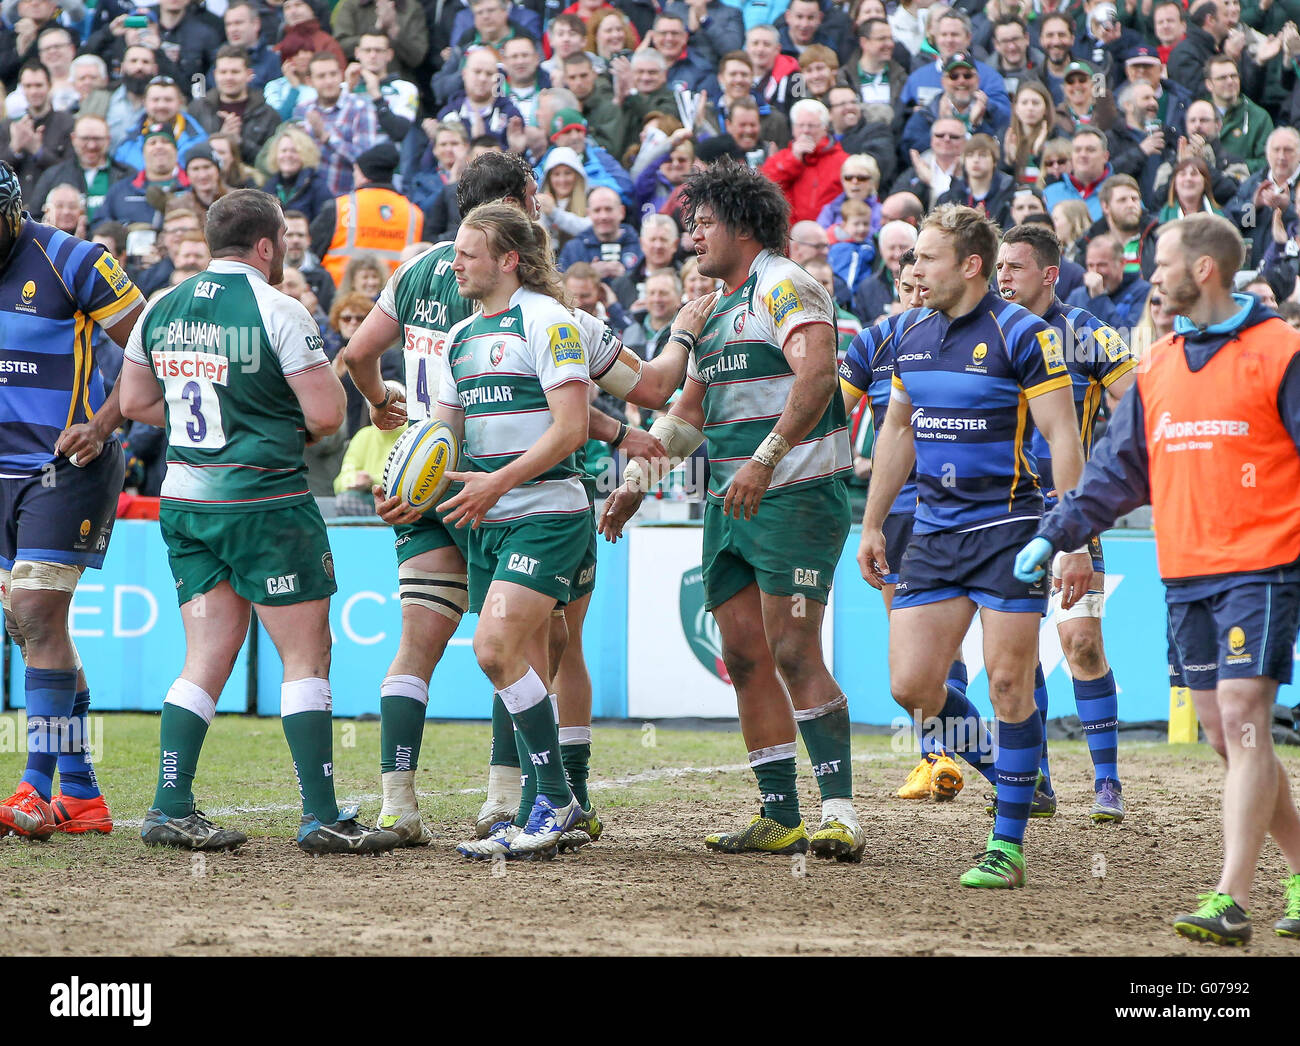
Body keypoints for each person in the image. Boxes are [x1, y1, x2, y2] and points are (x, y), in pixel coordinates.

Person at [341, 151, 692, 849]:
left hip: (457, 490)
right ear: (517, 219)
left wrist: (390, 426)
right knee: (541, 646)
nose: (541, 206)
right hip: (482, 492)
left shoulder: (421, 275)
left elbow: (358, 357)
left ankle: (403, 807)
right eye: (533, 197)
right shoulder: (522, 319)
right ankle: (519, 801)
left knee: (434, 647)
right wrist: (642, 400)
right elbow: (645, 388)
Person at [1016, 212, 1300, 944]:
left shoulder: (1281, 351)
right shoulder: (1161, 363)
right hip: (1186, 570)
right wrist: (1056, 534)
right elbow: (1116, 473)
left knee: (1241, 716)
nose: (1152, 273)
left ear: (1203, 269)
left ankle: (1230, 899)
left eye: (1163, 260)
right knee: (1227, 735)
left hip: (1263, 565)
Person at [116, 189, 398, 856]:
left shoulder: (160, 305)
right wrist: (254, 424)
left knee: (206, 656)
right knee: (306, 654)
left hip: (187, 502)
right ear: (267, 246)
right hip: (265, 504)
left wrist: (214, 426)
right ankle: (321, 813)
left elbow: (134, 401)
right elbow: (327, 417)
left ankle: (170, 804)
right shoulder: (279, 309)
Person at [601, 159, 867, 862]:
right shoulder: (715, 310)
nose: (693, 237)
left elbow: (816, 377)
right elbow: (686, 413)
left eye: (704, 222)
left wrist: (766, 457)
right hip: (733, 503)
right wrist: (639, 479)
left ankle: (840, 812)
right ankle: (780, 816)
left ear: (744, 224)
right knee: (745, 657)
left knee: (793, 649)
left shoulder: (788, 285)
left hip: (796, 495)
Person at [858, 203, 1090, 888]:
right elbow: (896, 433)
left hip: (1009, 533)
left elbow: (1064, 438)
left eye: (926, 258)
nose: (913, 270)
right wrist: (872, 523)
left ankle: (1006, 844)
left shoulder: (1023, 334)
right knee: (913, 686)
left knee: (1011, 683)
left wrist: (1072, 538)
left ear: (970, 265)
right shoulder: (908, 335)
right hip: (931, 531)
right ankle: (1018, 769)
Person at [0, 160, 144, 840]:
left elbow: (150, 346)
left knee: (34, 609)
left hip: (67, 461)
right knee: (31, 628)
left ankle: (33, 786)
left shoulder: (71, 260)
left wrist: (106, 423)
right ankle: (82, 795)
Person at [995, 222, 1137, 822]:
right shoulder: (981, 332)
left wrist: (1103, 479)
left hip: (1069, 511)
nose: (1002, 277)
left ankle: (1106, 782)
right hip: (998, 516)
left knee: (1080, 642)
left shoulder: (1087, 334)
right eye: (998, 266)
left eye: (1015, 268)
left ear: (1050, 275)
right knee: (1017, 655)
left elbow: (1137, 404)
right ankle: (1041, 779)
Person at [313, 141, 423, 287]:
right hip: (394, 301)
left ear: (363, 174)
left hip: (341, 299)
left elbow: (313, 252)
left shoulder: (341, 207)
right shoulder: (414, 214)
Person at [1066, 232, 1152, 329]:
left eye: (1102, 265)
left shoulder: (1142, 292)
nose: (1095, 272)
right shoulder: (1077, 297)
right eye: (1091, 265)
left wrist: (1098, 298)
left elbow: (1128, 338)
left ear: (1122, 263)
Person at [261, 126, 333, 224]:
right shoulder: (268, 187)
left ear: (306, 154)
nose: (288, 155)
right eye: (284, 151)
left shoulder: (317, 187)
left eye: (294, 151)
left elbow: (326, 224)